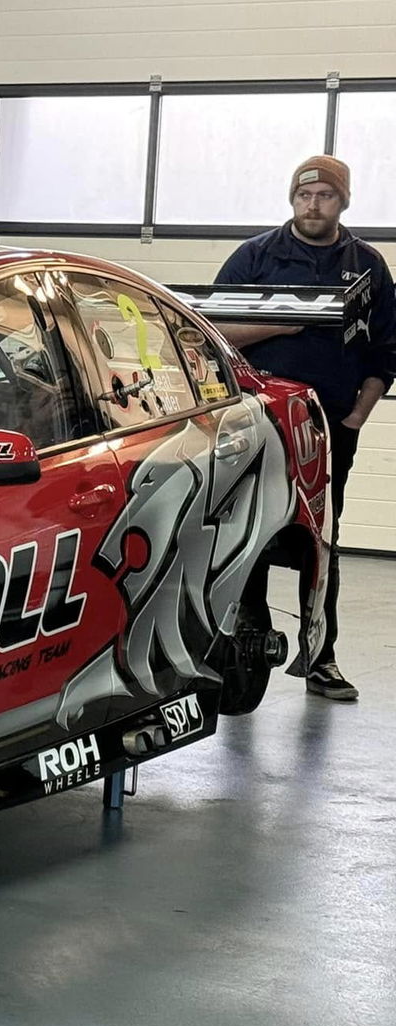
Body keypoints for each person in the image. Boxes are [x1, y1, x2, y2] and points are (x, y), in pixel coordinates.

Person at [215, 155, 396, 702]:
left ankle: (321, 658)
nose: (312, 204)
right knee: (247, 530)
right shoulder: (256, 257)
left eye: (324, 196)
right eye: (303, 194)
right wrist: (286, 320)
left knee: (322, 537)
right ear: (291, 199)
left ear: (343, 201)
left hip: (330, 428)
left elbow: (385, 350)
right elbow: (213, 332)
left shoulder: (367, 266)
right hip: (258, 421)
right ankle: (241, 651)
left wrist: (357, 416)